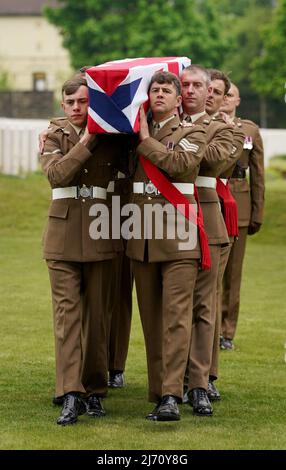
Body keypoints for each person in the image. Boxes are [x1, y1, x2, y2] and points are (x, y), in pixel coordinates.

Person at [41, 74, 130, 425]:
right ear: (63, 106)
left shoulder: (114, 136)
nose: (77, 108)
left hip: (101, 232)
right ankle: (71, 392)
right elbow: (57, 175)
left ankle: (95, 390)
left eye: (83, 101)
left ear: (92, 102)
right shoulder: (54, 134)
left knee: (97, 319)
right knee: (67, 318)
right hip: (61, 236)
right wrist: (89, 139)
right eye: (70, 103)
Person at [126, 70, 207, 421]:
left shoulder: (193, 130)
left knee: (176, 318)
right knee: (152, 322)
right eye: (154, 89)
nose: (159, 94)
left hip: (179, 236)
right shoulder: (128, 136)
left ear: (178, 99)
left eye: (166, 90)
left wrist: (145, 139)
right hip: (141, 238)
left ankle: (173, 396)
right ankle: (160, 392)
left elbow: (182, 164)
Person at [180, 66, 235, 415]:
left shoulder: (223, 129)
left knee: (203, 308)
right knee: (171, 311)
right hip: (166, 224)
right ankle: (170, 384)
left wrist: (181, 139)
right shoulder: (162, 124)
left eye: (205, 88)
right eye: (186, 85)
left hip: (207, 223)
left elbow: (213, 161)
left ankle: (199, 382)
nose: (201, 93)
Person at [219, 83, 265, 349]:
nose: (224, 98)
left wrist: (257, 211)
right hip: (211, 199)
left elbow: (258, 174)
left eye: (229, 95)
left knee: (233, 273)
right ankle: (209, 327)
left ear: (238, 100)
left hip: (239, 202)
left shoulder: (249, 130)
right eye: (220, 93)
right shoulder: (205, 126)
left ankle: (227, 332)